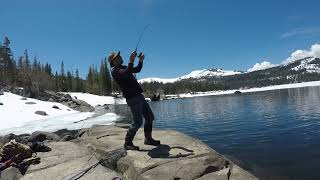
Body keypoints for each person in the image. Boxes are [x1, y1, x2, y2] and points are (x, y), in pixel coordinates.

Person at [108, 50, 160, 150]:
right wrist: (131, 61)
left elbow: (136, 70)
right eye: (117, 57)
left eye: (119, 55)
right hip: (132, 98)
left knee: (149, 117)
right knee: (138, 122)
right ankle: (127, 143)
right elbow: (126, 72)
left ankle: (148, 139)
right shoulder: (115, 70)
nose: (120, 57)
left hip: (139, 96)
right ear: (113, 61)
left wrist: (140, 61)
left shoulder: (122, 67)